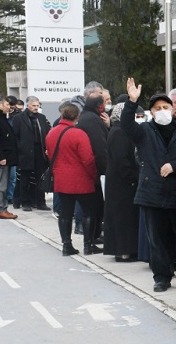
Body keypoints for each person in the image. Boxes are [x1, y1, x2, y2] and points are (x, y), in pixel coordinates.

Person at [123, 79, 176, 293]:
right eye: (158, 108)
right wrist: (132, 101)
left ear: (172, 110)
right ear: (152, 112)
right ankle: (162, 277)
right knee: (157, 240)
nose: (162, 111)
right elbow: (126, 124)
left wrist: (175, 166)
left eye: (166, 107)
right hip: (152, 194)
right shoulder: (144, 131)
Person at [47, 103, 99, 256]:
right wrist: (93, 174)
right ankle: (88, 245)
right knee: (89, 211)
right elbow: (88, 159)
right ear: (77, 117)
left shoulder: (51, 133)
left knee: (65, 213)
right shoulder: (79, 134)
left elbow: (50, 156)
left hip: (61, 179)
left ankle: (66, 245)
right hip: (81, 179)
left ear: (62, 115)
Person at [103, 98, 140, 262]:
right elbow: (121, 159)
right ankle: (123, 250)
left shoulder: (117, 130)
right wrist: (132, 177)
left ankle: (125, 250)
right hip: (122, 184)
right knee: (123, 218)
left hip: (119, 182)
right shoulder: (119, 132)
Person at [77, 94, 109, 247]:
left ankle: (93, 238)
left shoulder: (86, 117)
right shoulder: (93, 120)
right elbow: (100, 147)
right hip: (93, 171)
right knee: (94, 207)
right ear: (99, 105)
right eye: (105, 102)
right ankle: (91, 240)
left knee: (94, 207)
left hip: (87, 171)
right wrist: (105, 169)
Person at [11, 96, 51, 211]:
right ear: (27, 105)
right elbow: (16, 136)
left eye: (38, 106)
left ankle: (40, 202)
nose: (36, 108)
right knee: (25, 178)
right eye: (33, 105)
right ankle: (25, 202)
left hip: (40, 151)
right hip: (26, 151)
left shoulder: (41, 118)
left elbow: (47, 132)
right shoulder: (19, 118)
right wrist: (20, 148)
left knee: (40, 177)